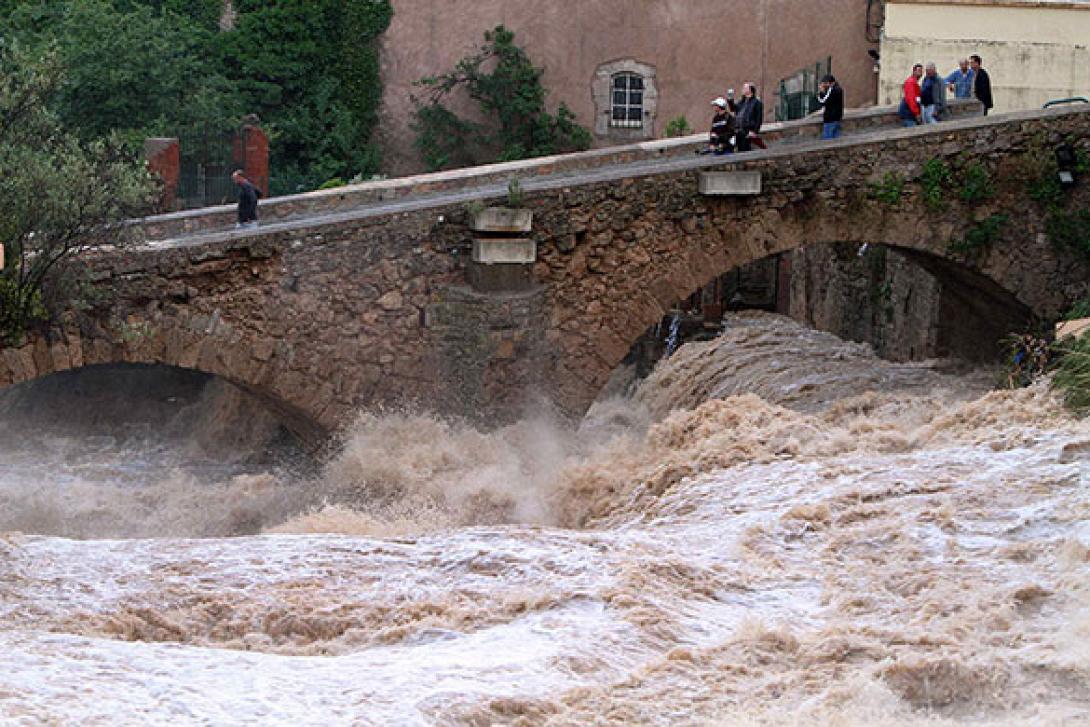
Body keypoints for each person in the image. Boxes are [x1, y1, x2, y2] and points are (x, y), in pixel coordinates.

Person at [730, 83, 766, 151]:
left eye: (745, 88)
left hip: (748, 131)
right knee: (739, 150)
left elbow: (759, 118)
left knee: (746, 150)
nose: (742, 90)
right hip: (739, 130)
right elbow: (733, 109)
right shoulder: (741, 102)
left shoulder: (756, 102)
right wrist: (730, 100)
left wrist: (755, 131)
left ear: (750, 90)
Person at [816, 74, 844, 139]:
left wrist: (821, 92)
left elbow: (823, 101)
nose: (824, 85)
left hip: (830, 119)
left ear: (832, 83)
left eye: (826, 83)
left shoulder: (832, 90)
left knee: (827, 139)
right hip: (837, 117)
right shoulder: (839, 89)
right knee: (836, 139)